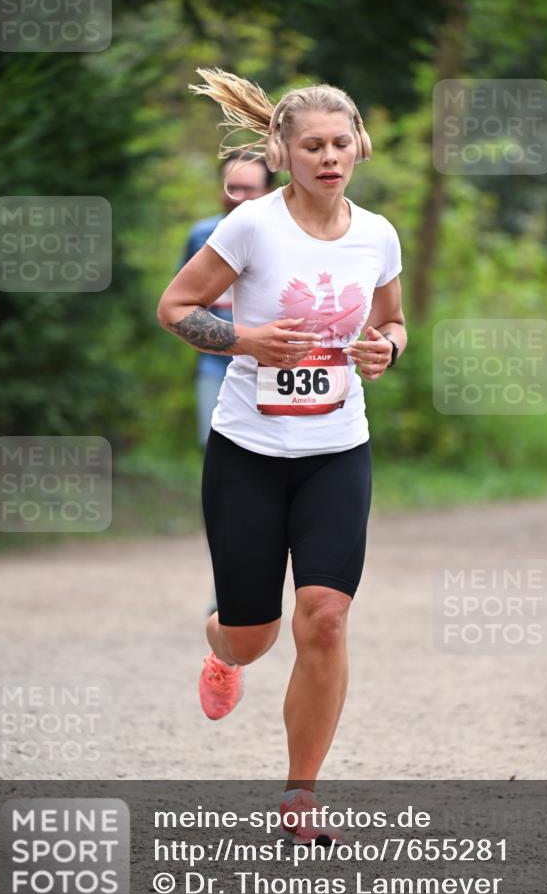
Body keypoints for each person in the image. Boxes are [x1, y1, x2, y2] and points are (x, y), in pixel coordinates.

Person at [157, 67, 406, 845]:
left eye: (340, 143)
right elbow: (176, 307)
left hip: (337, 447)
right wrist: (245, 338)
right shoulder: (252, 227)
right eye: (312, 145)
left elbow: (394, 323)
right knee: (253, 633)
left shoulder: (378, 234)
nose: (329, 157)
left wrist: (385, 352)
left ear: (359, 146)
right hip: (249, 450)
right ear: (283, 151)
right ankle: (222, 647)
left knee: (325, 618)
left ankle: (301, 797)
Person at [178, 151, 274, 449]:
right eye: (231, 187)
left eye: (249, 189)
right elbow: (182, 300)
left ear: (268, 191)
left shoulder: (282, 236)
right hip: (214, 358)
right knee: (214, 440)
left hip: (270, 361)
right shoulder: (202, 235)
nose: (238, 196)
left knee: (267, 444)